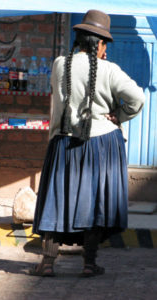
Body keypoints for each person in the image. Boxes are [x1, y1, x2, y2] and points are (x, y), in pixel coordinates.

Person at [30, 10, 145, 277]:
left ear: (79, 39)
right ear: (100, 43)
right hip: (102, 144)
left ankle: (47, 263)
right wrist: (120, 114)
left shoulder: (60, 64)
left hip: (64, 144)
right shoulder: (110, 70)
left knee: (57, 200)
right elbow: (138, 98)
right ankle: (89, 264)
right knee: (95, 203)